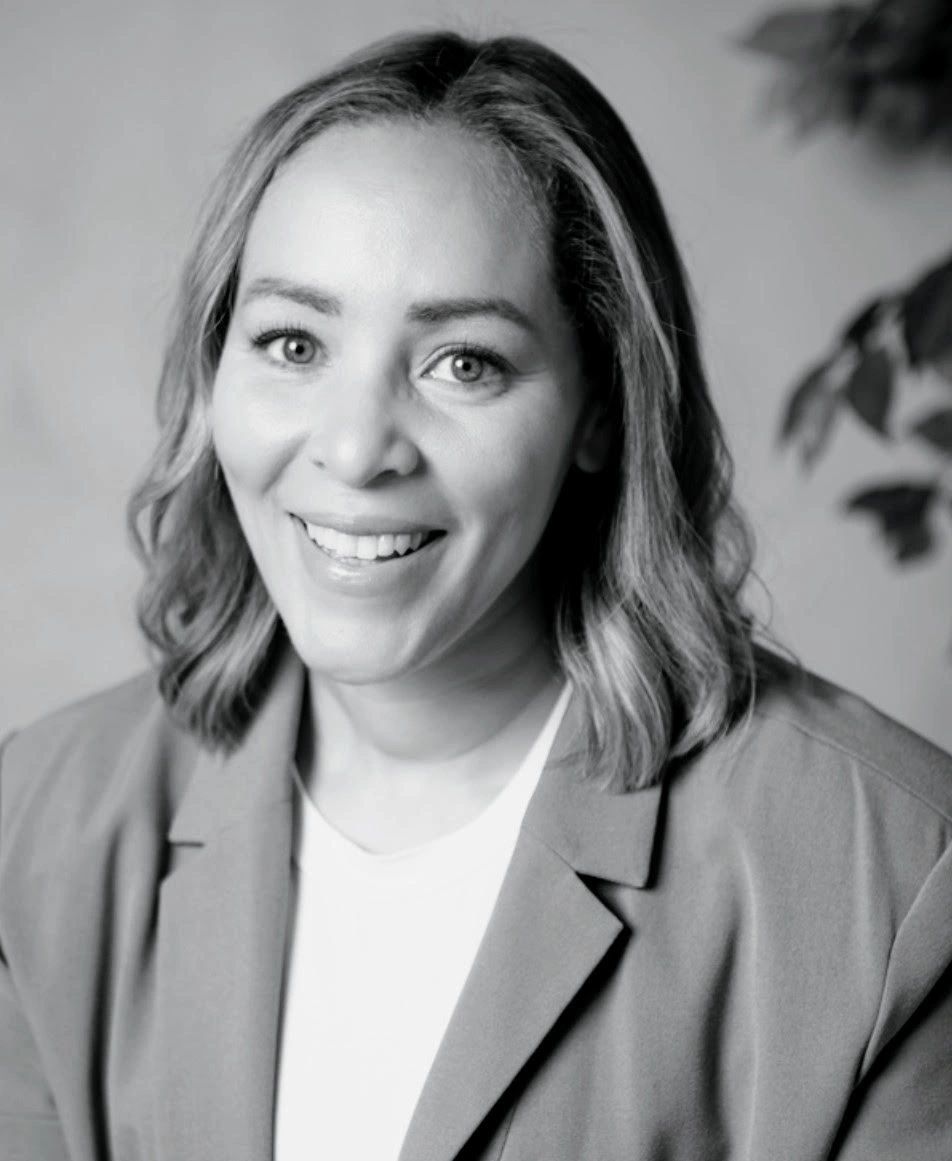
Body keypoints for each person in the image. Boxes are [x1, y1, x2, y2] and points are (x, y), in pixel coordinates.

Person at [1, 28, 950, 1161]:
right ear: (215, 377)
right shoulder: (32, 830)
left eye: (465, 362)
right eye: (293, 342)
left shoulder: (894, 882)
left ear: (602, 410)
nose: (355, 451)